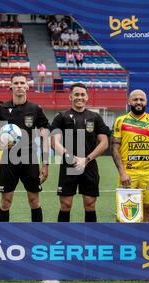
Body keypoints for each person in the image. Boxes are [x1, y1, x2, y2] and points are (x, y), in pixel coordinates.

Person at [0, 72, 50, 222]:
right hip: (8, 159)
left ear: (27, 86)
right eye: (16, 83)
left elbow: (45, 137)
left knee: (34, 201)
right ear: (10, 86)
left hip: (29, 159)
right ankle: (2, 237)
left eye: (22, 83)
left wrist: (45, 164)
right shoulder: (1, 109)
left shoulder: (36, 109)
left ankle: (38, 235)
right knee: (5, 202)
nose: (19, 86)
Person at [51, 83, 110, 222]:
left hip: (89, 165)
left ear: (87, 97)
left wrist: (86, 160)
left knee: (90, 204)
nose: (80, 97)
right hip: (69, 166)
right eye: (76, 94)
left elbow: (104, 143)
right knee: (66, 205)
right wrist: (72, 158)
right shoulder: (61, 117)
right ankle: (63, 240)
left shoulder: (95, 117)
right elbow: (54, 142)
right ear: (70, 97)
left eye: (83, 94)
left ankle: (89, 239)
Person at [111, 89, 149, 222]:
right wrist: (122, 173)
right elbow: (115, 148)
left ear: (146, 102)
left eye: (141, 99)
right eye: (135, 99)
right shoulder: (120, 121)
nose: (138, 102)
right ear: (129, 101)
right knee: (125, 213)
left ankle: (148, 241)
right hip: (128, 173)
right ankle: (124, 241)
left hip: (148, 173)